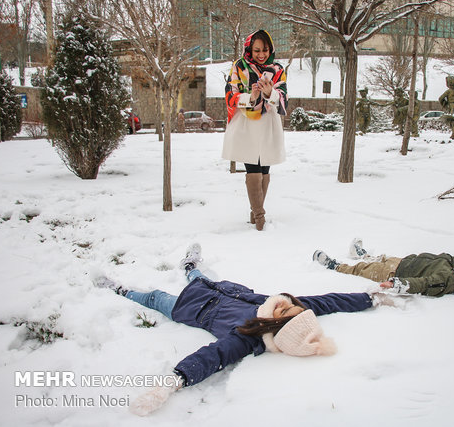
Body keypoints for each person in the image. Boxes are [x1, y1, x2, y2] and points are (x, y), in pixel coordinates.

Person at [94, 244, 396, 416]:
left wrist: (173, 381)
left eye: (286, 311)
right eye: (293, 307)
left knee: (155, 297)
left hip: (188, 309)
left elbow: (214, 355)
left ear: (277, 327)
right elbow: (331, 301)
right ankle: (189, 266)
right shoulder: (287, 307)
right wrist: (370, 297)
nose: (286, 303)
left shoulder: (249, 337)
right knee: (197, 277)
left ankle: (119, 289)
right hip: (216, 288)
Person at [222, 30, 288, 231]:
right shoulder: (239, 66)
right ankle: (260, 218)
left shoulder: (277, 69)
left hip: (268, 124)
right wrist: (251, 96)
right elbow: (230, 94)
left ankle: (254, 212)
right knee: (252, 169)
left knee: (265, 169)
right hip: (247, 124)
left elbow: (284, 96)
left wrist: (270, 93)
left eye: (265, 50)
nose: (261, 54)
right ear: (249, 48)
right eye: (257, 50)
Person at [313, 239, 454, 296]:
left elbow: (424, 283)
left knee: (363, 270)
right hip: (404, 261)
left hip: (396, 272)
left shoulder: (449, 280)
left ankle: (336, 266)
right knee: (381, 258)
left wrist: (398, 284)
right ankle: (363, 254)